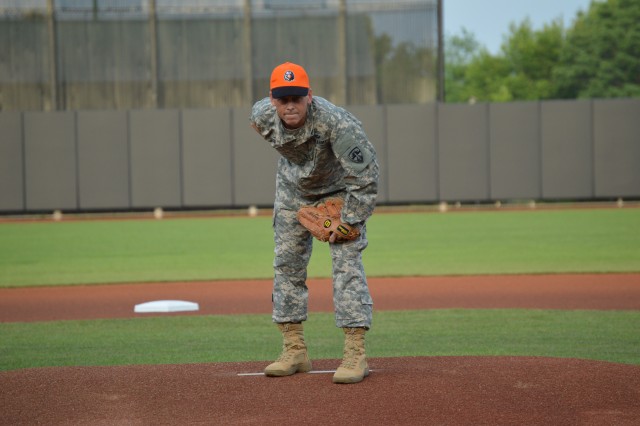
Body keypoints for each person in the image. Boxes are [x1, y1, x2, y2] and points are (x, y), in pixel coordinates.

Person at [250, 62, 379, 384]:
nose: (289, 105)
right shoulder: (262, 116)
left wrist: (350, 220)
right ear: (272, 99)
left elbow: (366, 176)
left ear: (310, 95)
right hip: (293, 192)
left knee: (347, 267)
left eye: (296, 97)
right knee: (287, 265)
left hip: (340, 192)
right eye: (282, 99)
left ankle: (355, 353)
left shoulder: (338, 123)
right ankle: (294, 349)